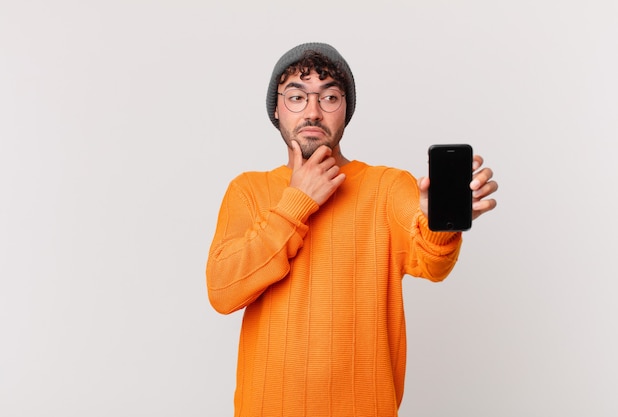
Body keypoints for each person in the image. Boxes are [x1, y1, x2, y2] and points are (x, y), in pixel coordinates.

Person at [206, 42, 498, 417]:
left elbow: (433, 263)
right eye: (297, 96)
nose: (313, 111)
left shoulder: (388, 186)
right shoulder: (247, 190)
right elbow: (222, 291)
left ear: (346, 111)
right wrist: (297, 202)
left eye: (329, 97)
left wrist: (438, 222)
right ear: (276, 110)